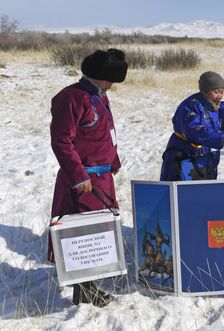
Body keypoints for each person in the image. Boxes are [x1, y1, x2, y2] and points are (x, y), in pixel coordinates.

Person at [49, 48, 128, 307]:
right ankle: (84, 290)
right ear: (102, 77)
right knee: (82, 236)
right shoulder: (72, 98)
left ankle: (88, 287)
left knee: (98, 233)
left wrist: (112, 159)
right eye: (112, 81)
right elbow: (62, 141)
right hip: (83, 182)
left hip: (102, 177)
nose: (113, 86)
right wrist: (78, 175)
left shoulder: (99, 96)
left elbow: (105, 131)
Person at [160, 71, 224, 181]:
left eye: (222, 92)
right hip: (184, 158)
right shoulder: (190, 106)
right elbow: (194, 131)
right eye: (216, 92)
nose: (220, 96)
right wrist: (222, 137)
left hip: (206, 160)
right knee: (181, 195)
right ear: (205, 91)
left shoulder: (219, 108)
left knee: (206, 193)